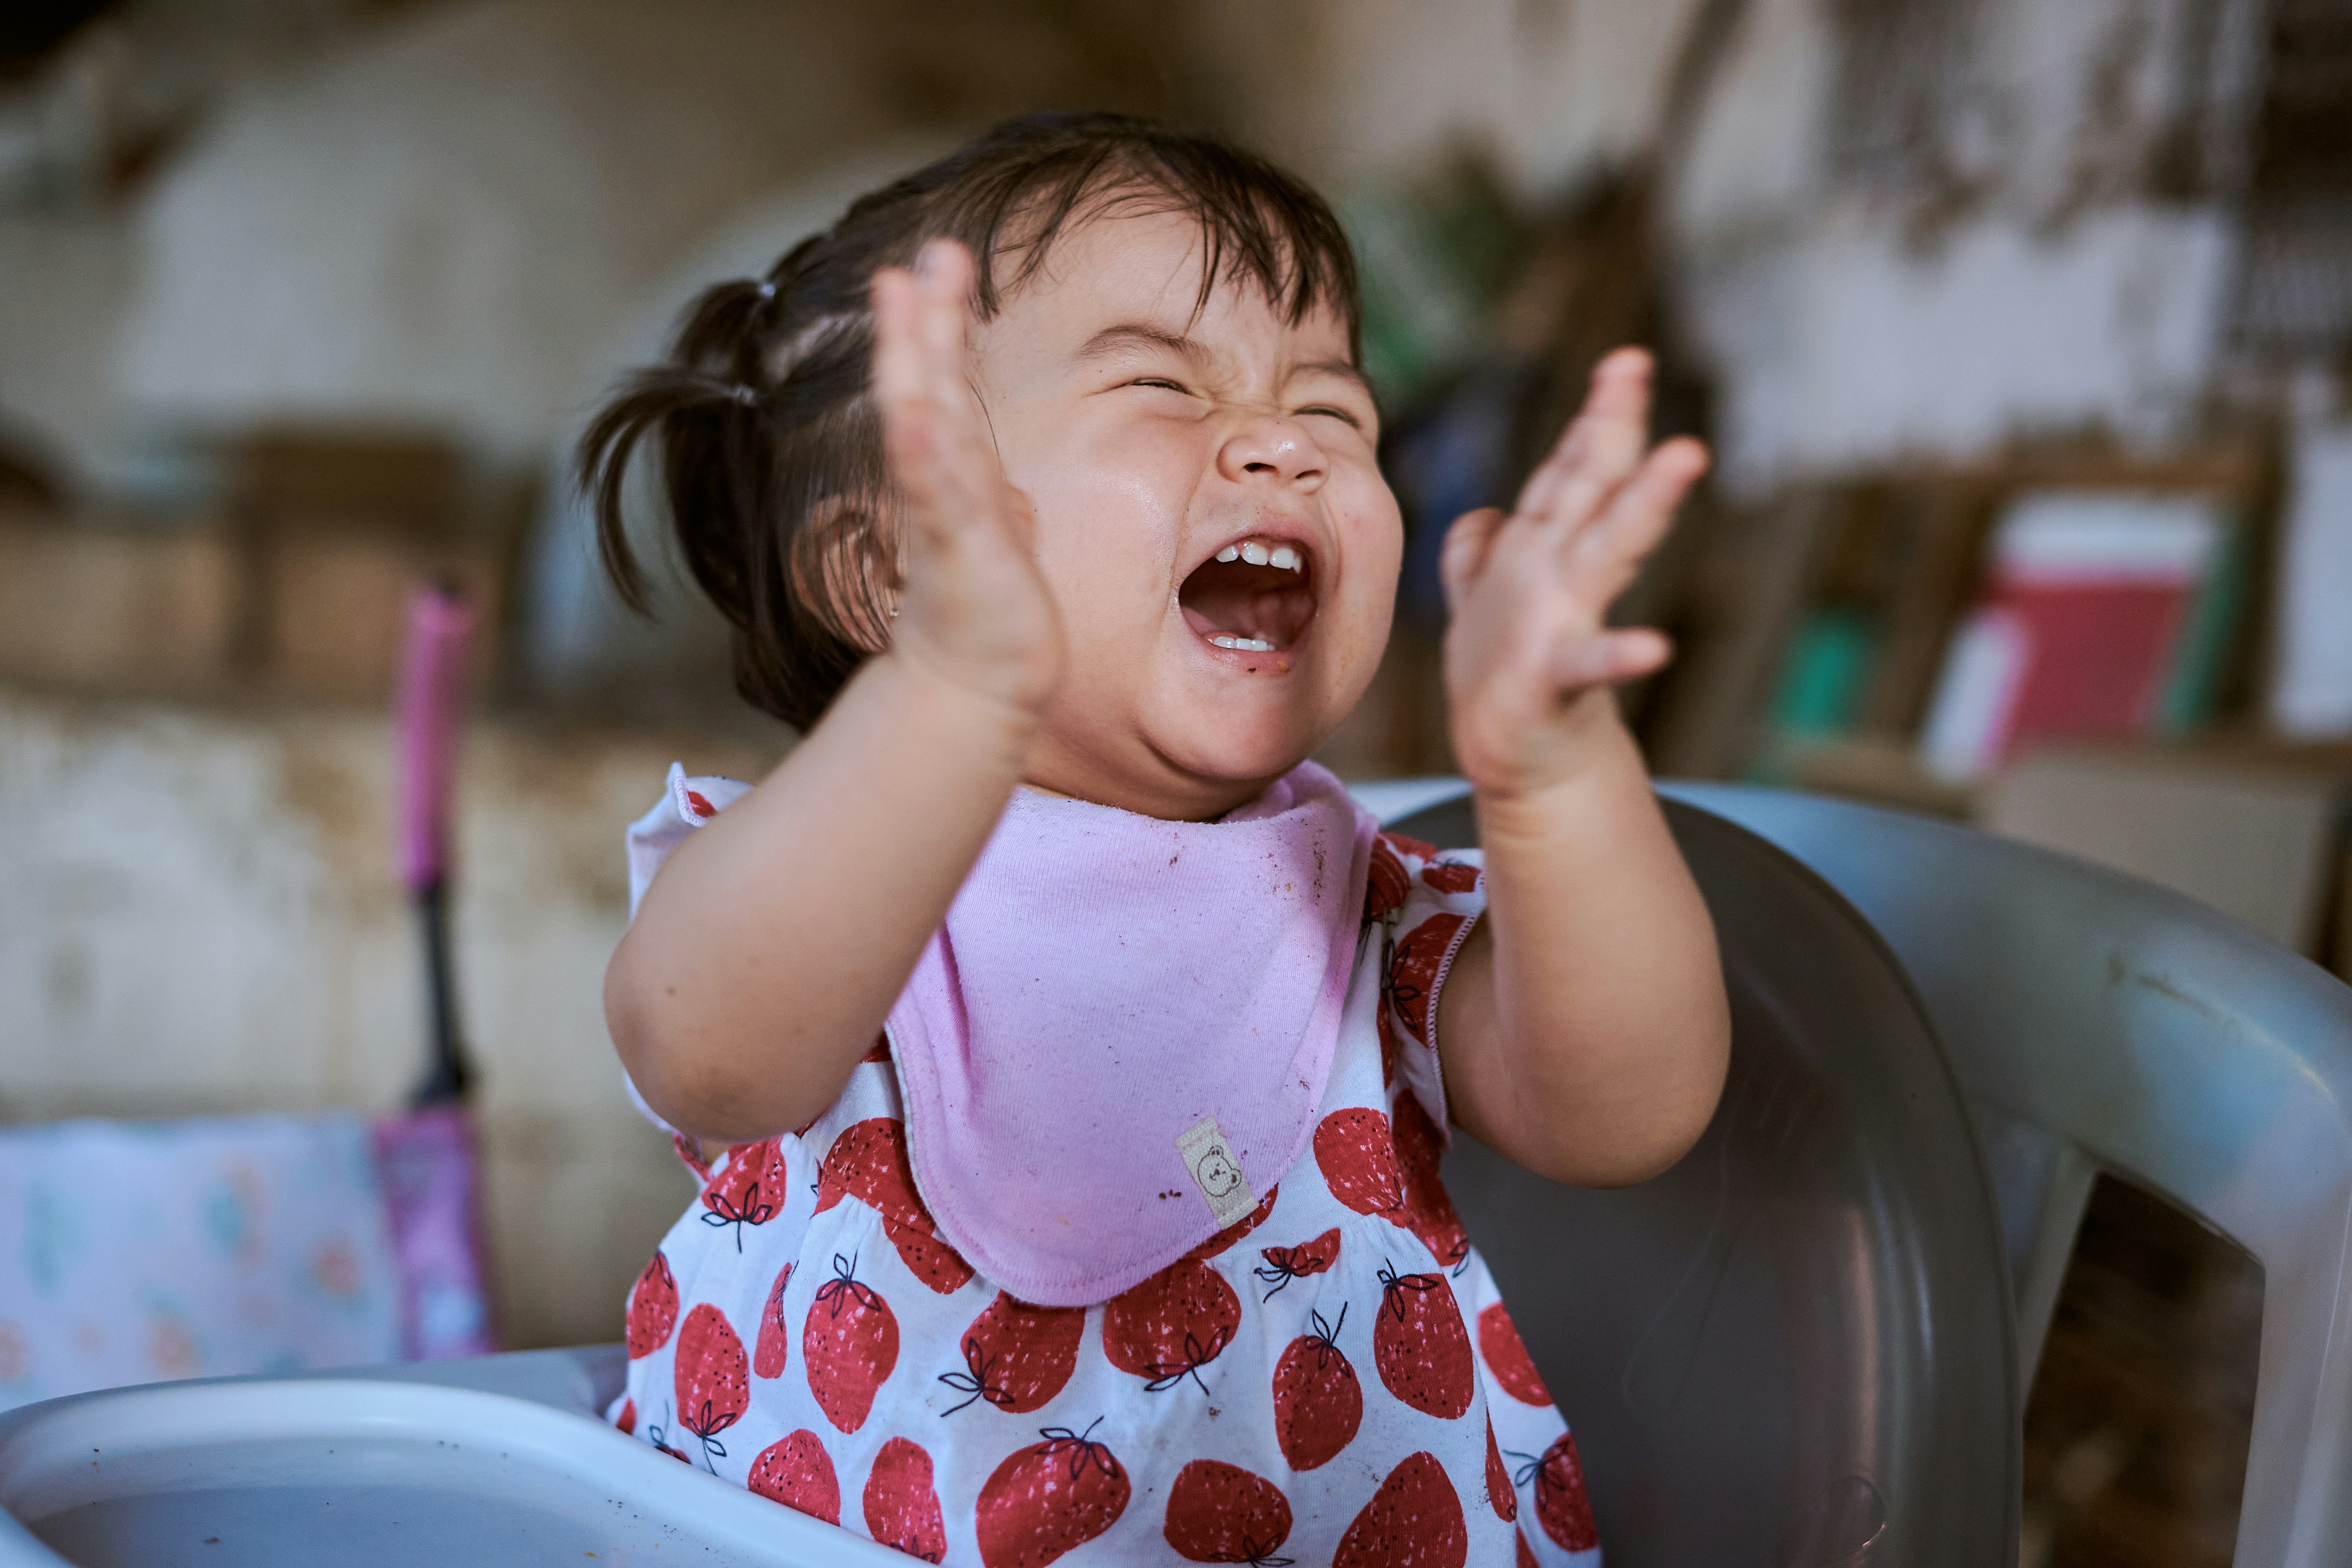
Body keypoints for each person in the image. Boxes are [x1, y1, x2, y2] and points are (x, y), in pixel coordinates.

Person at [582, 111, 1729, 1568]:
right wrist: (944, 697)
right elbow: (704, 1052)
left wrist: (1558, 775)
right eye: (1159, 384)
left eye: (1334, 409)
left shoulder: (1365, 908)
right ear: (888, 572)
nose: (1282, 446)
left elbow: (1625, 1113)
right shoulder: (834, 883)